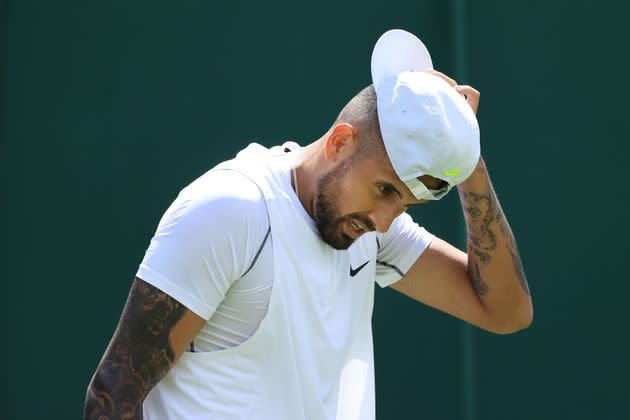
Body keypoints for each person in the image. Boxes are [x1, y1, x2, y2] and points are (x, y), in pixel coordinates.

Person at [84, 29, 532, 420]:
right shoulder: (232, 209)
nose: (384, 220)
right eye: (385, 190)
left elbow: (505, 312)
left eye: (404, 205)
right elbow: (113, 394)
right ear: (341, 142)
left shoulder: (370, 230)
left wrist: (468, 163)